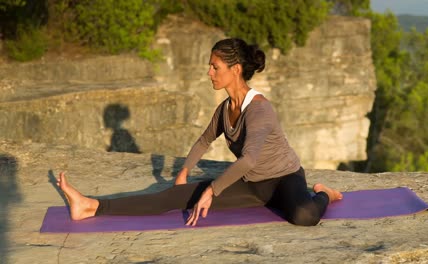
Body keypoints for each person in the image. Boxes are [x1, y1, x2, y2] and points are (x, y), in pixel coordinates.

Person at [57, 38, 343, 227]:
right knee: (170, 197)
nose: (209, 72)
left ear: (236, 69)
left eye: (215, 67)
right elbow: (205, 140)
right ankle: (91, 206)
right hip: (251, 185)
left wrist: (211, 190)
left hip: (284, 179)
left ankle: (324, 194)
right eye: (210, 66)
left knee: (303, 216)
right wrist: (184, 172)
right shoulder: (224, 109)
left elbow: (249, 160)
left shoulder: (259, 110)